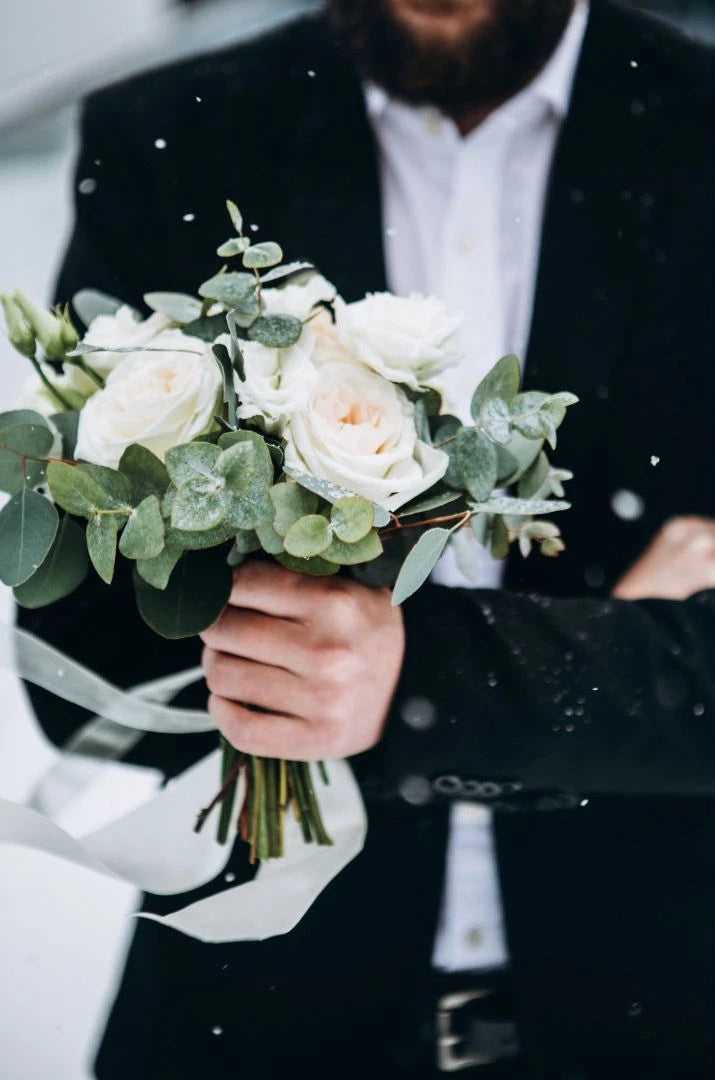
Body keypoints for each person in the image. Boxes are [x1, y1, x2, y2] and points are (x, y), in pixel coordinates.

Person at [18, 0, 715, 1076]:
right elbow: (79, 666)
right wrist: (610, 645)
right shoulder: (176, 135)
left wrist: (415, 676)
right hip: (258, 1021)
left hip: (660, 1012)